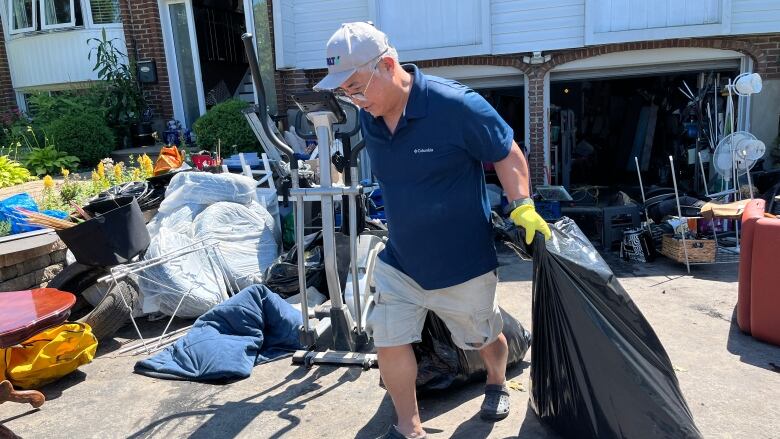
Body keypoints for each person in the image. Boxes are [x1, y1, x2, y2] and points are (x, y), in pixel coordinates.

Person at [314, 22, 551, 439]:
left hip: (462, 264)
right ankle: (410, 427)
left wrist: (522, 206)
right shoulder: (370, 114)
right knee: (388, 340)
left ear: (387, 65)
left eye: (355, 87)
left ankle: (496, 380)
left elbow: (507, 152)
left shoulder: (454, 105)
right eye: (344, 92)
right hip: (401, 260)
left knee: (483, 339)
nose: (353, 100)